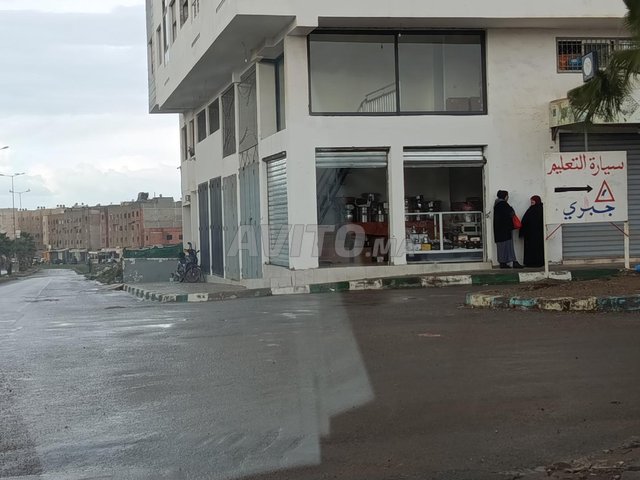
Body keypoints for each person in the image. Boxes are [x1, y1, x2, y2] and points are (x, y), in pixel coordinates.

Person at [493, 190, 523, 269]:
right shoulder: (503, 204)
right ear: (505, 196)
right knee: (509, 247)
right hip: (505, 230)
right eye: (507, 195)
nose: (508, 197)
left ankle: (502, 263)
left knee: (501, 247)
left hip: (498, 230)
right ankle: (514, 262)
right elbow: (511, 213)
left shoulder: (496, 204)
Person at [520, 195, 545, 268]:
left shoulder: (540, 209)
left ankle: (537, 263)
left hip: (537, 233)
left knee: (537, 248)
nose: (531, 203)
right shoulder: (532, 209)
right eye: (531, 201)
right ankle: (530, 263)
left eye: (533, 201)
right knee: (530, 248)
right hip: (530, 234)